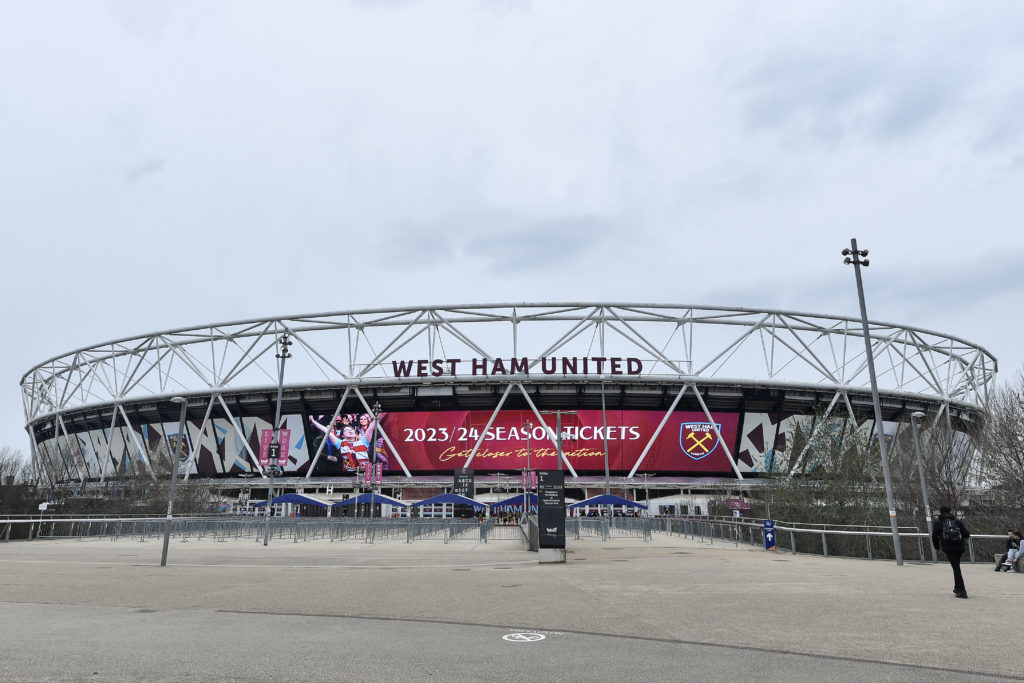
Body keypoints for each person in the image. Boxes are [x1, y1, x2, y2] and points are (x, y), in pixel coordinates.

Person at [932, 505, 971, 599]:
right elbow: (967, 534)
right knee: (956, 566)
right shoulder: (957, 522)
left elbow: (934, 536)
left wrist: (937, 547)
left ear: (941, 513)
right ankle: (957, 588)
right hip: (959, 547)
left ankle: (962, 591)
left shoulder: (939, 523)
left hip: (948, 548)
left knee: (956, 568)